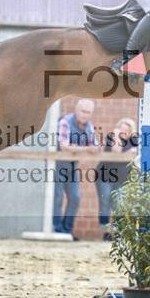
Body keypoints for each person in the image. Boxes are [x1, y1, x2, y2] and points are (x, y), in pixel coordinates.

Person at [53, 99, 101, 238]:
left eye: (88, 113)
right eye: (83, 111)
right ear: (76, 110)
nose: (85, 115)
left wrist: (97, 147)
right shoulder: (65, 122)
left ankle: (67, 230)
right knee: (57, 198)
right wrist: (87, 149)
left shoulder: (88, 126)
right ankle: (58, 230)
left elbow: (95, 145)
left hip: (72, 165)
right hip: (58, 164)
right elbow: (64, 146)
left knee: (75, 197)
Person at [94, 117, 138, 240]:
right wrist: (115, 135)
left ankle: (118, 231)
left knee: (120, 205)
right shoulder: (111, 138)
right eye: (120, 129)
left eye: (126, 130)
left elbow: (122, 152)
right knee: (104, 203)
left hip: (122, 179)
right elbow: (112, 149)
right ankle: (106, 232)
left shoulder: (133, 141)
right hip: (104, 176)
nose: (123, 132)